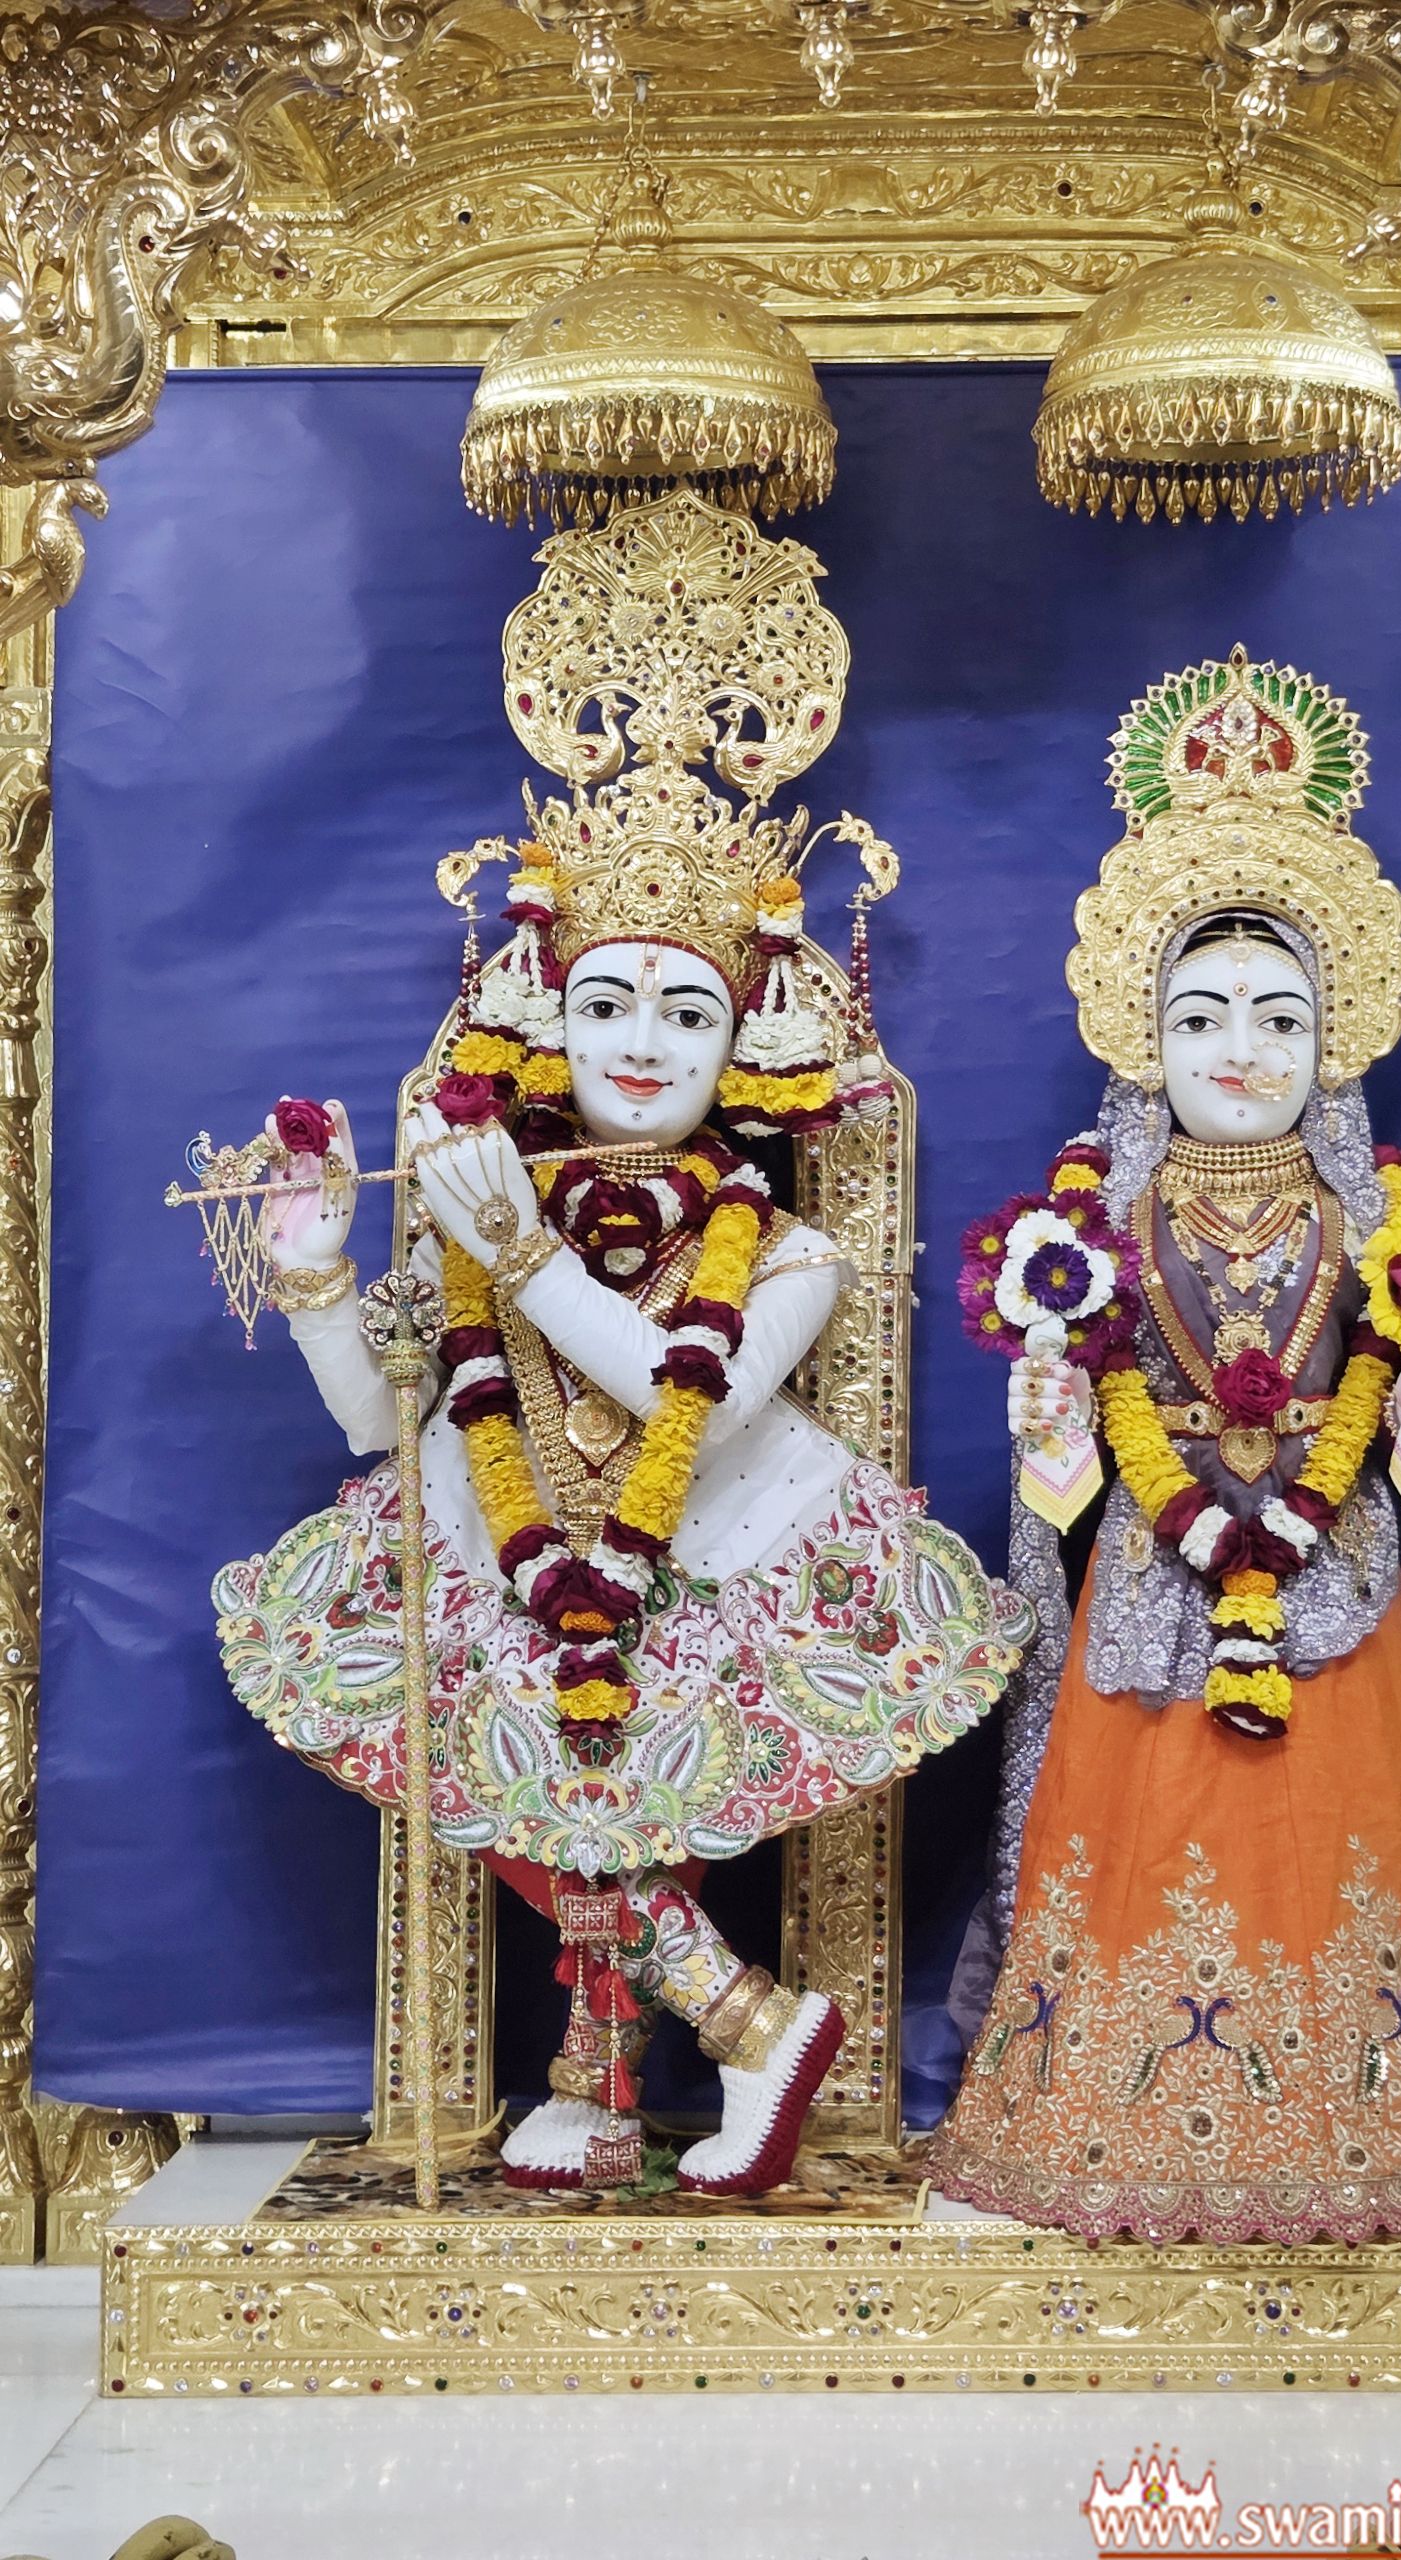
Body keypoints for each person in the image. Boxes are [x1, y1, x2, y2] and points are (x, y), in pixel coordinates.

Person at [214, 494, 1028, 2197]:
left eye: (688, 1009)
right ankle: (731, 2024)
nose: (642, 1042)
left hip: (717, 1543)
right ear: (546, 1017)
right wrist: (314, 1277)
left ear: (745, 1046)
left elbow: (695, 1404)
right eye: (605, 1001)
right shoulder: (475, 1205)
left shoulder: (784, 1247)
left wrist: (517, 1247)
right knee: (508, 1767)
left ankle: (652, 2059)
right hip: (495, 1534)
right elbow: (377, 1420)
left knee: (625, 1763)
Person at [928, 645, 1401, 2245]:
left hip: (1334, 1577)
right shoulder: (1096, 1220)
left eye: (1283, 1018)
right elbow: (1070, 1469)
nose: (1243, 1048)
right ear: (1143, 1037)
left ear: (1334, 1038)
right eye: (1204, 1014)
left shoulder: (1383, 1220)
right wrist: (1050, 1415)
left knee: (1341, 1843)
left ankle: (1373, 2125)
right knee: (1152, 1849)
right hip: (1155, 1582)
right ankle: (1118, 2133)